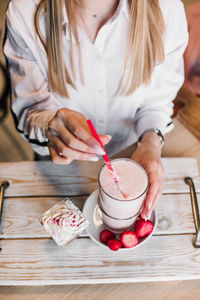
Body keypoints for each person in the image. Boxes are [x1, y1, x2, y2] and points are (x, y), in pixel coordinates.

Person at [3, 0, 188, 220]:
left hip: (132, 156)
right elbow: (30, 109)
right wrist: (48, 123)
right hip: (61, 171)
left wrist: (151, 142)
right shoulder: (25, 11)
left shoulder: (167, 8)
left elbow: (157, 100)